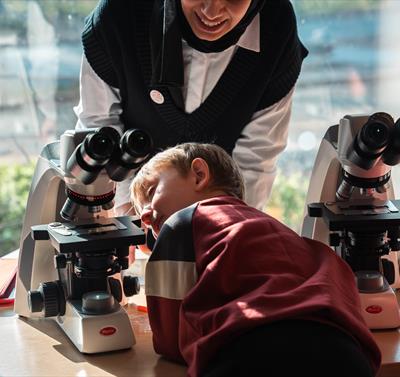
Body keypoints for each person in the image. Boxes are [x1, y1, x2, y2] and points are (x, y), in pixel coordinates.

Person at [129, 142, 381, 377]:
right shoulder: (289, 237)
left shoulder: (183, 223)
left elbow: (170, 341)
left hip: (252, 351)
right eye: (141, 214)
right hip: (345, 354)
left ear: (199, 174)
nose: (146, 218)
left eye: (151, 192)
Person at [74, 0, 308, 215]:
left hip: (217, 215)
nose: (211, 12)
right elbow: (99, 127)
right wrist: (126, 214)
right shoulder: (119, 13)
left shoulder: (277, 27)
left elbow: (257, 156)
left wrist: (230, 231)